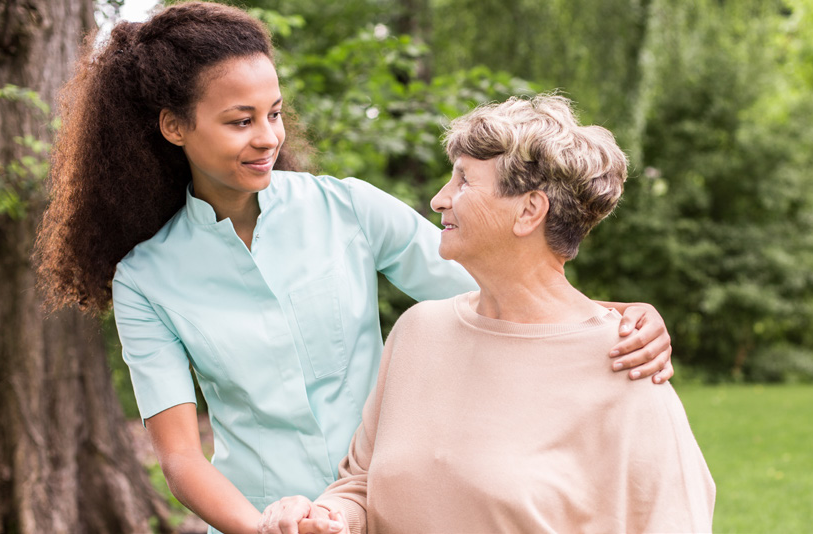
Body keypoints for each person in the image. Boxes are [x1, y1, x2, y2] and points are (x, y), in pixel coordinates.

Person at [33, 3, 675, 533]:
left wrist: (616, 318)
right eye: (240, 121)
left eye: (275, 113)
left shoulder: (348, 208)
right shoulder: (147, 279)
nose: (268, 137)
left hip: (383, 513)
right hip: (258, 519)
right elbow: (179, 457)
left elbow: (509, 290)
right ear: (175, 127)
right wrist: (261, 529)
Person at [262, 94, 714, 534]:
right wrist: (329, 519)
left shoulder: (627, 366)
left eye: (463, 181)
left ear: (529, 210)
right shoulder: (419, 331)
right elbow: (360, 486)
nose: (440, 199)